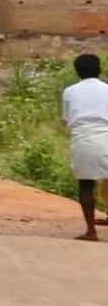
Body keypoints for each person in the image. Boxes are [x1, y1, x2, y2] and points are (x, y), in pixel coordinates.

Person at [62, 53, 108, 241]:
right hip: (106, 134)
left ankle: (91, 231)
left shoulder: (70, 91)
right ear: (99, 69)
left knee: (86, 184)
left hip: (84, 138)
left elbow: (66, 119)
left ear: (77, 71)